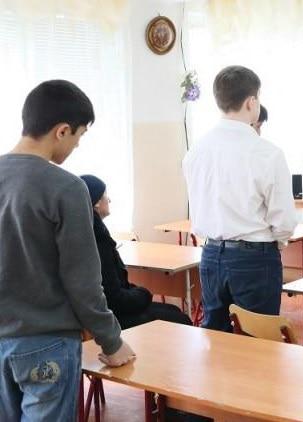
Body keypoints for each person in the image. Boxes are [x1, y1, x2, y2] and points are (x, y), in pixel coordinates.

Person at [0, 80, 135, 421]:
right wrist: (112, 341)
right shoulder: (66, 187)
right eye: (79, 135)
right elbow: (83, 282)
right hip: (46, 342)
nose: (76, 145)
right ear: (61, 131)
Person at [183, 65, 297, 332]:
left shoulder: (196, 151)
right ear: (251, 102)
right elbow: (283, 220)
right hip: (254, 257)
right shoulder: (267, 152)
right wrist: (278, 242)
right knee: (258, 341)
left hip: (211, 254)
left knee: (216, 340)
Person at [80, 174, 193, 328]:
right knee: (180, 319)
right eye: (106, 195)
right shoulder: (99, 241)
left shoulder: (89, 232)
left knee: (174, 311)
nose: (109, 200)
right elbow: (115, 299)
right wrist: (144, 293)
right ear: (97, 202)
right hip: (111, 317)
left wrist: (137, 292)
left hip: (103, 311)